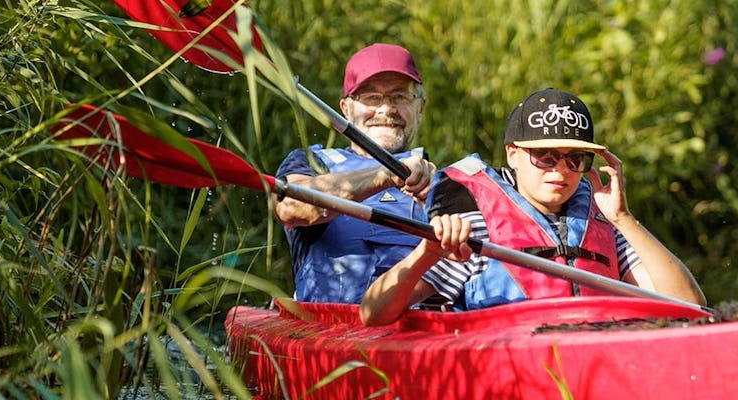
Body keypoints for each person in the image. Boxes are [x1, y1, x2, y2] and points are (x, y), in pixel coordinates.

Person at [360, 88, 706, 325]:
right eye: (545, 156)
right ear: (513, 153)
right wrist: (427, 252)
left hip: (597, 363)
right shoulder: (477, 223)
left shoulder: (604, 224)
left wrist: (623, 218)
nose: (561, 171)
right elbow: (373, 315)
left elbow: (690, 305)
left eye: (575, 159)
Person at [274, 43, 436, 303]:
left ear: (420, 108)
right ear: (346, 109)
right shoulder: (310, 163)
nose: (386, 109)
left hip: (425, 330)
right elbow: (291, 207)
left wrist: (439, 202)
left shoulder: (445, 179)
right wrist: (385, 175)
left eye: (400, 97)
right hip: (333, 330)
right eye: (371, 98)